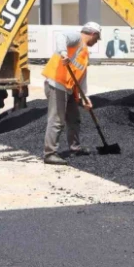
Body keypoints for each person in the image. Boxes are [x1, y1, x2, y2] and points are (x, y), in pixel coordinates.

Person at [41, 22, 102, 165]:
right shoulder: (77, 38)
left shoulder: (85, 52)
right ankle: (50, 154)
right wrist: (63, 53)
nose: (97, 41)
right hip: (57, 85)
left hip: (69, 89)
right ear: (93, 34)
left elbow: (81, 77)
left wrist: (85, 97)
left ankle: (75, 148)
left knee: (74, 119)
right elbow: (61, 36)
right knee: (57, 120)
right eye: (97, 38)